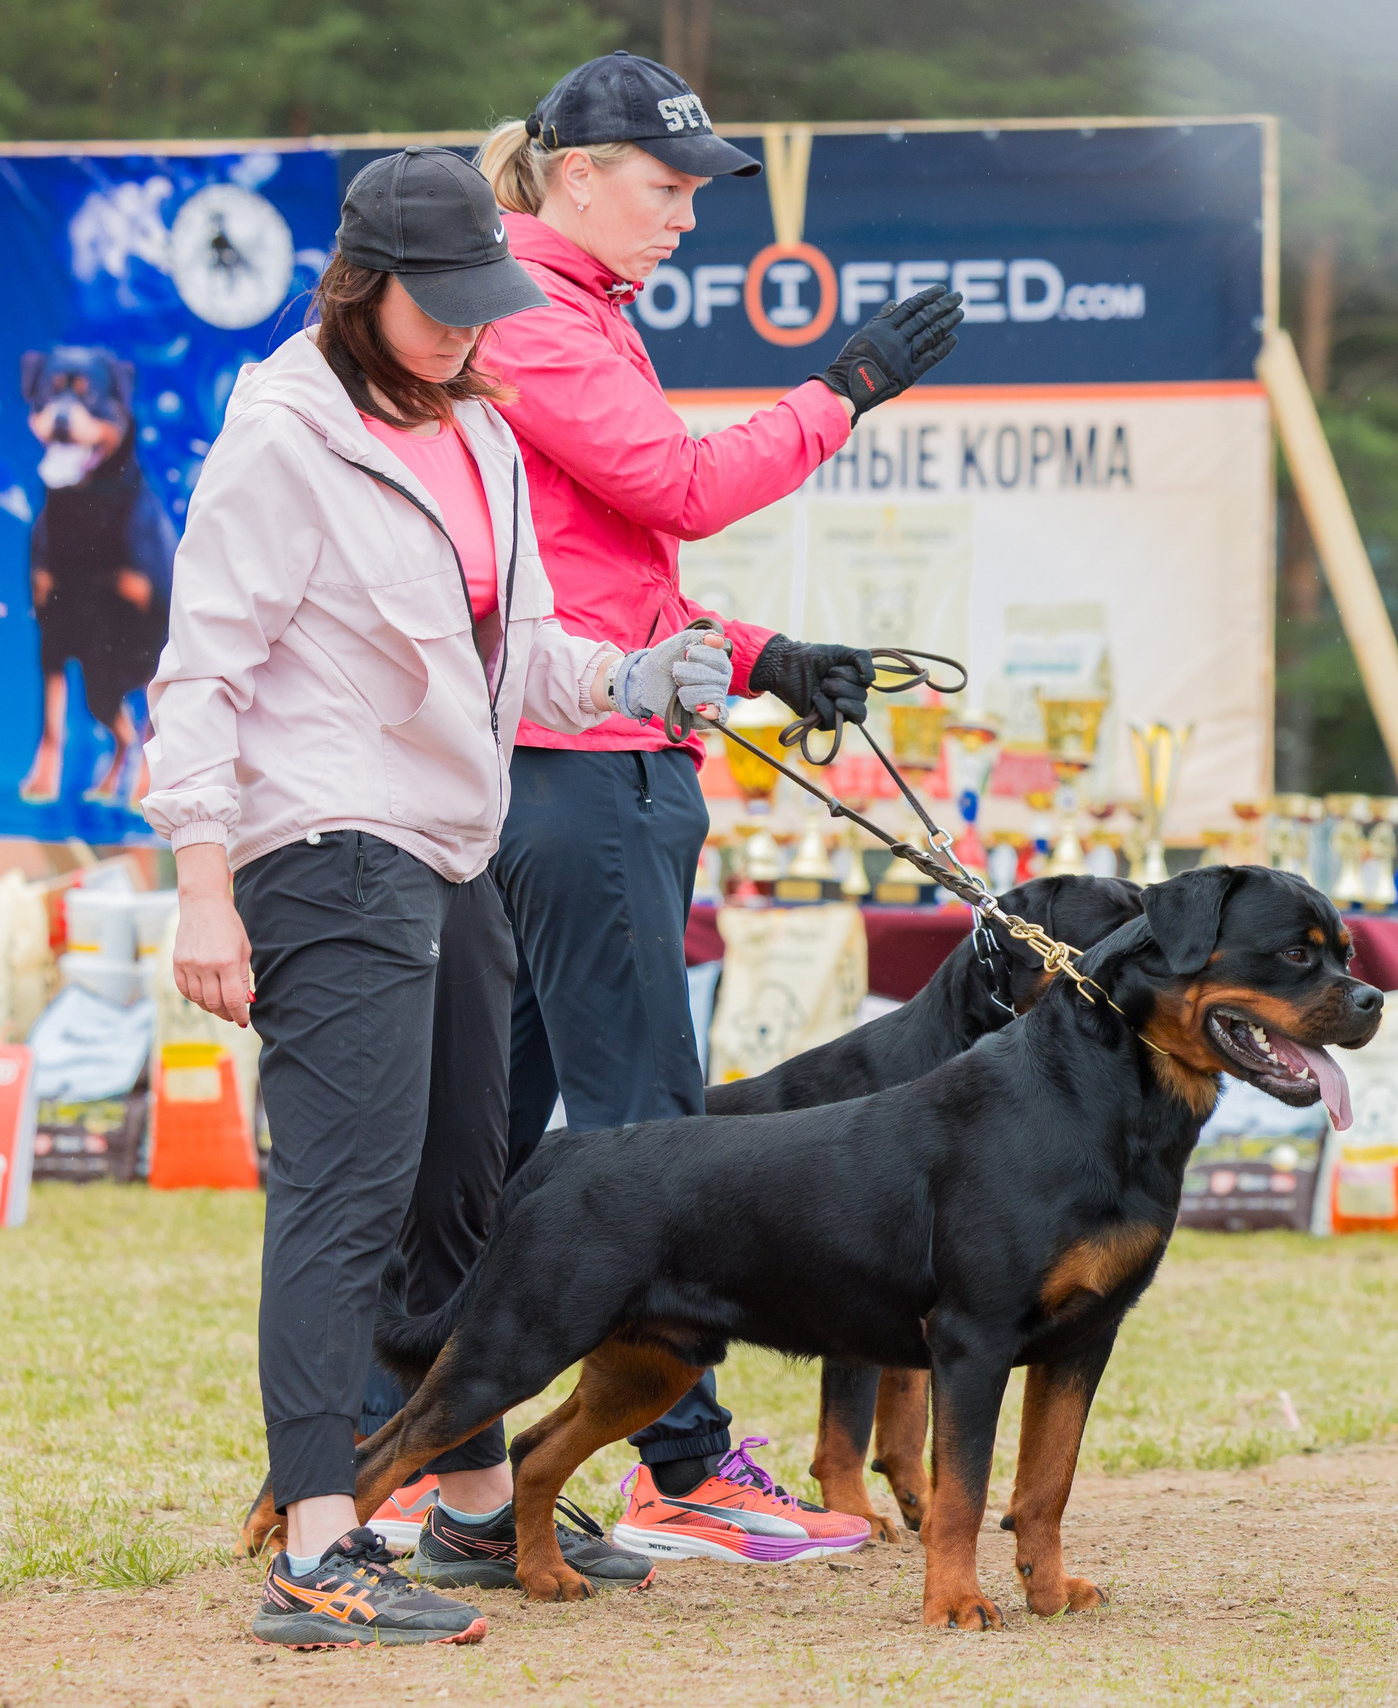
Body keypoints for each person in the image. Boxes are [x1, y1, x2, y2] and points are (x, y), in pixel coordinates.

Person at [143, 147, 735, 1650]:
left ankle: (472, 1501)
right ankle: (320, 1537)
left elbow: (516, 646)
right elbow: (202, 671)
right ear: (359, 286)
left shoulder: (480, 428)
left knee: (467, 1186)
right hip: (323, 843)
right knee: (346, 1192)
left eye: (488, 301)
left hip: (450, 842)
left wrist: (628, 676)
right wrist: (204, 890)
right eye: (441, 305)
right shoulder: (284, 436)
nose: (471, 329)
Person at [439, 48, 964, 1565]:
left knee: (500, 1145)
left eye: (694, 191)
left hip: (578, 766)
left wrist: (759, 655)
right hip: (587, 785)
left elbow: (614, 575)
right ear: (576, 174)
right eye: (667, 187)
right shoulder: (535, 307)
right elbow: (677, 484)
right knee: (652, 1138)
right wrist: (846, 386)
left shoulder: (565, 308)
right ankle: (682, 1463)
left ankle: (435, 1447)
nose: (686, 217)